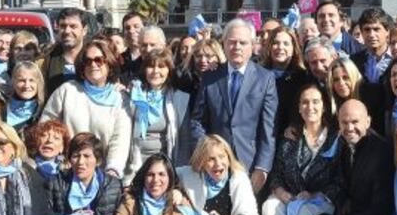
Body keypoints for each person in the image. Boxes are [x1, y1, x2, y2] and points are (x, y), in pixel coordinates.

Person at [261, 84, 340, 215]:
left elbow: (341, 178)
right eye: (305, 102)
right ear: (298, 107)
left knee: (305, 213)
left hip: (320, 199)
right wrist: (279, 191)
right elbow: (276, 172)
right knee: (270, 207)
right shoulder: (291, 137)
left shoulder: (335, 138)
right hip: (291, 195)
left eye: (315, 102)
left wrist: (315, 195)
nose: (310, 106)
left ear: (324, 106)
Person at [190, 19, 277, 194]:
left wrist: (262, 167)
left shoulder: (265, 78)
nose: (237, 46)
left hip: (250, 164)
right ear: (224, 44)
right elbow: (197, 121)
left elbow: (269, 128)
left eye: (243, 42)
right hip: (215, 164)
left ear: (252, 45)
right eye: (232, 42)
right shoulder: (210, 76)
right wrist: (207, 151)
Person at [40, 39, 131, 179]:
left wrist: (112, 171)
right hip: (66, 171)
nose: (93, 64)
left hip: (102, 174)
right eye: (88, 61)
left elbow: (120, 139)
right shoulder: (67, 90)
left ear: (109, 64)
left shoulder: (120, 98)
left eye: (99, 60)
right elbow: (46, 127)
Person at [125, 49, 191, 182]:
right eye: (151, 66)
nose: (155, 71)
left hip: (166, 165)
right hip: (136, 164)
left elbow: (184, 140)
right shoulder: (134, 95)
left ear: (169, 70)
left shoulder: (179, 98)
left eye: (161, 66)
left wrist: (179, 175)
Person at [46, 132, 123, 215]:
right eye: (75, 156)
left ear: (98, 160)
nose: (80, 162)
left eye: (87, 156)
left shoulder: (112, 185)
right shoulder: (56, 183)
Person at [259, 25, 309, 139]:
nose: (280, 47)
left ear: (293, 48)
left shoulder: (303, 76)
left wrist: (295, 124)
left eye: (286, 43)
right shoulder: (257, 75)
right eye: (275, 43)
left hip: (292, 139)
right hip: (264, 137)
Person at [39, 8, 87, 97]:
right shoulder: (44, 60)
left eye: (73, 26)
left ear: (84, 30)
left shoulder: (95, 58)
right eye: (63, 26)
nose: (67, 31)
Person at [0, 61, 44, 138]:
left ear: (38, 83)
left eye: (31, 80)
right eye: (22, 81)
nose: (27, 85)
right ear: (13, 82)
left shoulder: (44, 111)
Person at [349, 7, 393, 83]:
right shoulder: (354, 61)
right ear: (362, 32)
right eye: (367, 30)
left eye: (376, 29)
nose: (371, 34)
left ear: (387, 31)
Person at [24, 119, 70, 189]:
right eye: (44, 135)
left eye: (56, 138)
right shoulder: (25, 168)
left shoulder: (69, 172)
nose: (49, 140)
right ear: (36, 141)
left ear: (62, 147)